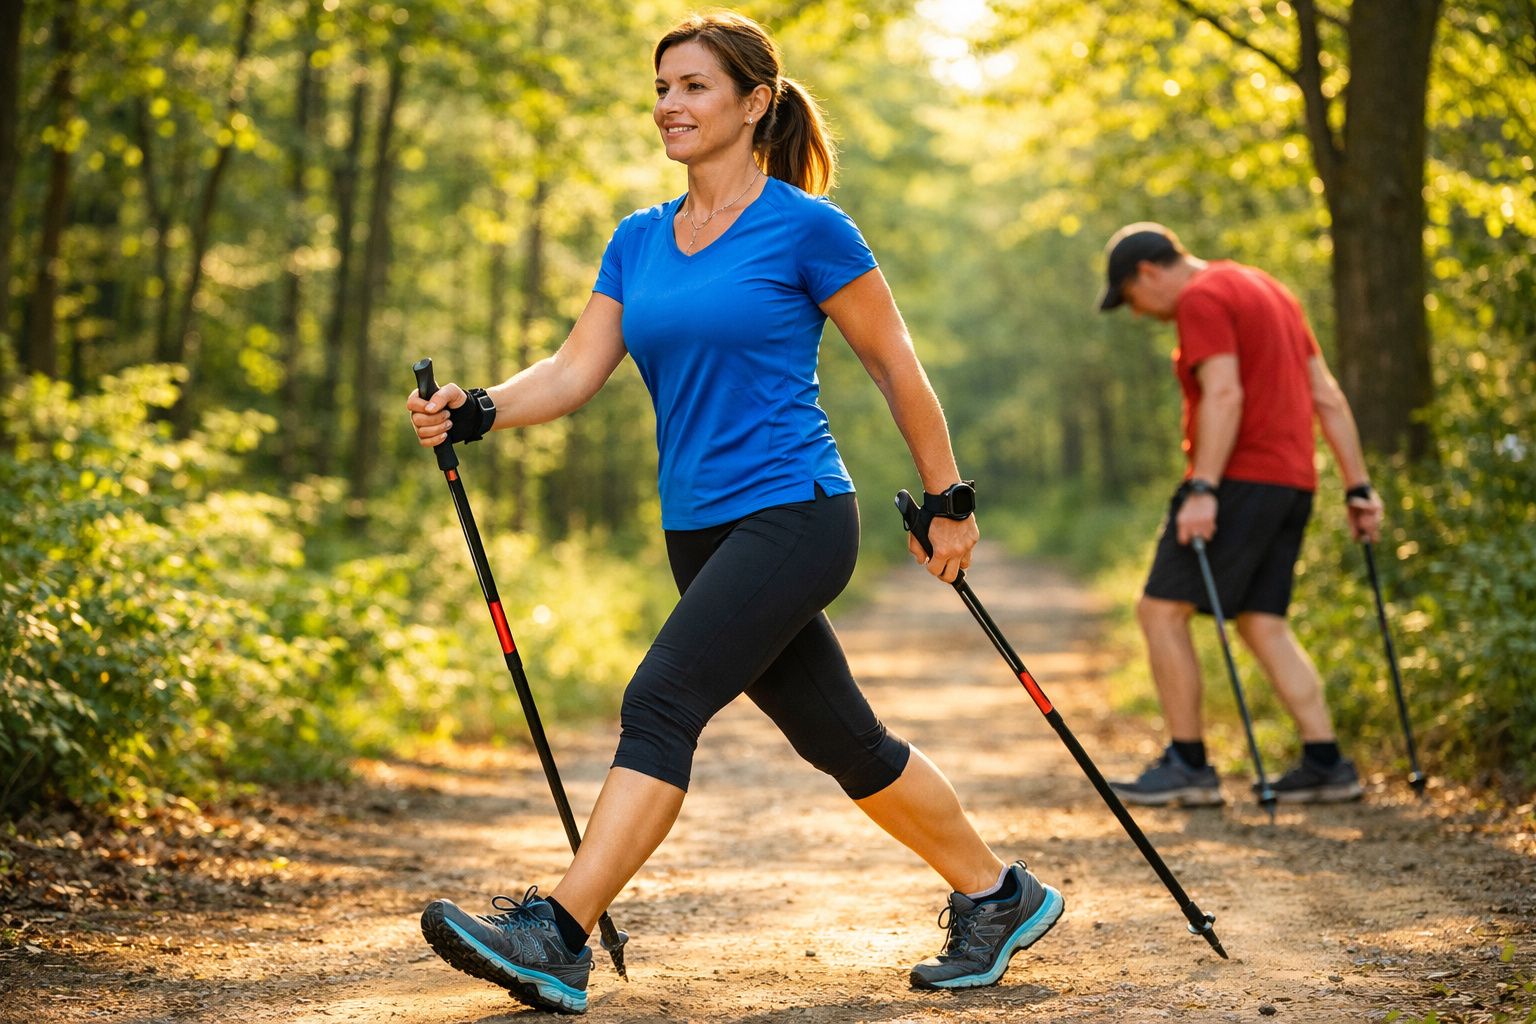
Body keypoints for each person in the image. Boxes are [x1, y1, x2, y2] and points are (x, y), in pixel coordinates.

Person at [405, 12, 1061, 1014]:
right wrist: (481, 406)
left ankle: (559, 932)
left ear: (756, 102)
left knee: (660, 702)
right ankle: (997, 893)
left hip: (795, 514)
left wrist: (948, 501)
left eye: (696, 86)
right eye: (663, 87)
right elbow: (577, 370)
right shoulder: (637, 240)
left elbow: (894, 364)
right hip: (698, 531)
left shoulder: (805, 227)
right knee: (846, 741)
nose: (671, 104)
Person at [1096, 222, 1386, 808]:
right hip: (1293, 482)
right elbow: (1325, 394)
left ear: (1148, 272)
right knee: (1261, 620)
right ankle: (1327, 762)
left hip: (1238, 480)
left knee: (1159, 611)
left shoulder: (1202, 299)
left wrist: (1203, 487)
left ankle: (1189, 764)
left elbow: (1224, 394)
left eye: (1131, 299)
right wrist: (1358, 487)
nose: (1137, 312)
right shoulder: (1269, 289)